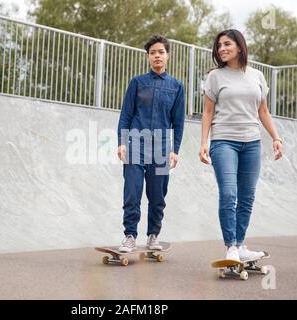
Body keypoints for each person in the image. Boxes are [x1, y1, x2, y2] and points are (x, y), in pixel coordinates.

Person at [199, 29, 283, 261]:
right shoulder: (215, 76)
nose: (222, 49)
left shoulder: (256, 75)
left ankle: (240, 245)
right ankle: (231, 248)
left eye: (227, 44)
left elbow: (263, 111)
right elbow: (207, 112)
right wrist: (204, 142)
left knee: (247, 196)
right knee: (228, 194)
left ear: (239, 46)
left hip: (252, 144)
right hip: (223, 142)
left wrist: (276, 137)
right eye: (219, 46)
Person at [116, 35, 185, 252]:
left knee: (157, 195)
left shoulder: (176, 86)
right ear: (148, 56)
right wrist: (122, 142)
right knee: (132, 192)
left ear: (167, 56)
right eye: (153, 52)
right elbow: (126, 114)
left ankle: (153, 235)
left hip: (162, 148)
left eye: (161, 52)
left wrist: (175, 150)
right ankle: (129, 236)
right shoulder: (137, 82)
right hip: (136, 143)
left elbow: (178, 121)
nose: (157, 55)